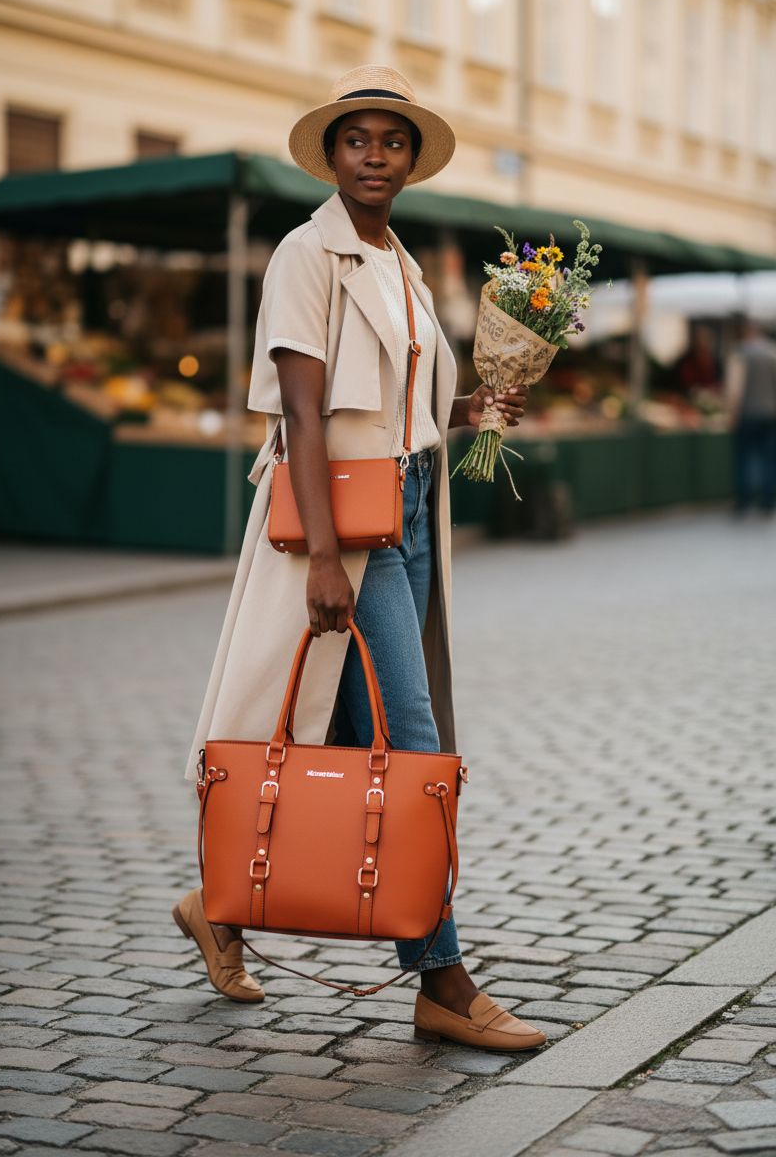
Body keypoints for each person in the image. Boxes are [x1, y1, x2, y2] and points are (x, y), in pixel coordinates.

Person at [173, 65, 545, 1052]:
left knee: (335, 737)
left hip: (412, 508)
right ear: (331, 155)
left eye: (391, 142)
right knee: (411, 741)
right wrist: (327, 562)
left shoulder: (404, 266)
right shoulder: (308, 254)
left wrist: (476, 410)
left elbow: (401, 407)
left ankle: (219, 906)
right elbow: (299, 410)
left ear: (411, 159)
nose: (373, 156)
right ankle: (444, 982)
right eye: (356, 140)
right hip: (343, 527)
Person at [725, 321, 776, 515]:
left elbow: (734, 389)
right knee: (769, 459)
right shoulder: (773, 353)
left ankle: (744, 500)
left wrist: (732, 414)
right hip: (770, 414)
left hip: (747, 414)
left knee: (744, 458)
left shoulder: (740, 353)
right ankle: (768, 501)